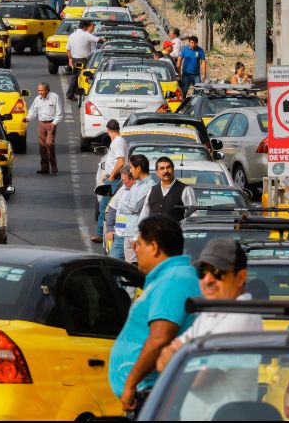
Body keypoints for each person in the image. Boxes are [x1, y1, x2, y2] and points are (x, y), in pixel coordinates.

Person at [155, 239, 263, 421]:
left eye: (218, 272)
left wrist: (176, 359)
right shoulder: (212, 312)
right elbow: (162, 360)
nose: (208, 280)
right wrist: (178, 360)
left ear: (240, 277)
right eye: (202, 272)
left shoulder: (242, 317)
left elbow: (196, 379)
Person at [109, 215, 201, 413]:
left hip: (153, 394)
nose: (135, 249)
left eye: (139, 243)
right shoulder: (169, 278)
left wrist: (131, 383)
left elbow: (160, 338)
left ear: (154, 247)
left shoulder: (173, 280)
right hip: (151, 393)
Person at [92, 119, 128, 243]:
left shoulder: (118, 142)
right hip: (113, 177)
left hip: (114, 180)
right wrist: (107, 174)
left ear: (108, 130)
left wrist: (111, 176)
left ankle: (100, 234)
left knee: (104, 207)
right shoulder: (119, 141)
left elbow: (121, 161)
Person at [138, 156, 196, 224]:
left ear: (173, 170)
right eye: (162, 168)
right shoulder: (152, 190)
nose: (166, 171)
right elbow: (144, 215)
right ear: (157, 172)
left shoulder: (185, 190)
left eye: (168, 167)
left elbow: (193, 216)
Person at [120, 155, 155, 264]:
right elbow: (122, 204)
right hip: (128, 230)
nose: (130, 171)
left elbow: (135, 206)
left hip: (138, 233)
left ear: (138, 168)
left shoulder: (150, 186)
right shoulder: (135, 185)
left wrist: (126, 205)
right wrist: (127, 205)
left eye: (131, 168)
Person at [26, 82, 64, 173]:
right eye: (38, 90)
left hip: (51, 124)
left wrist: (54, 123)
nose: (40, 92)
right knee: (42, 146)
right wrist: (27, 118)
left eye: (42, 90)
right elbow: (33, 111)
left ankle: (53, 165)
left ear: (47, 90)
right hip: (41, 124)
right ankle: (44, 168)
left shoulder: (55, 97)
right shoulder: (37, 99)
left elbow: (60, 112)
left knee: (49, 143)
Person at [66, 20, 103, 101]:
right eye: (87, 27)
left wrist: (70, 59)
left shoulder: (71, 35)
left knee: (75, 76)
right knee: (85, 76)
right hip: (83, 60)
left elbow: (68, 50)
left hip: (75, 59)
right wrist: (105, 41)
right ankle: (71, 94)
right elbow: (98, 40)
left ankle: (75, 92)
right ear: (85, 27)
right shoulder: (86, 35)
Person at [106, 167, 136, 260]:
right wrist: (110, 228)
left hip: (134, 237)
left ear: (133, 180)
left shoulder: (144, 190)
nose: (123, 183)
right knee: (113, 264)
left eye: (124, 180)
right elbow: (113, 207)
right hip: (120, 235)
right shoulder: (123, 189)